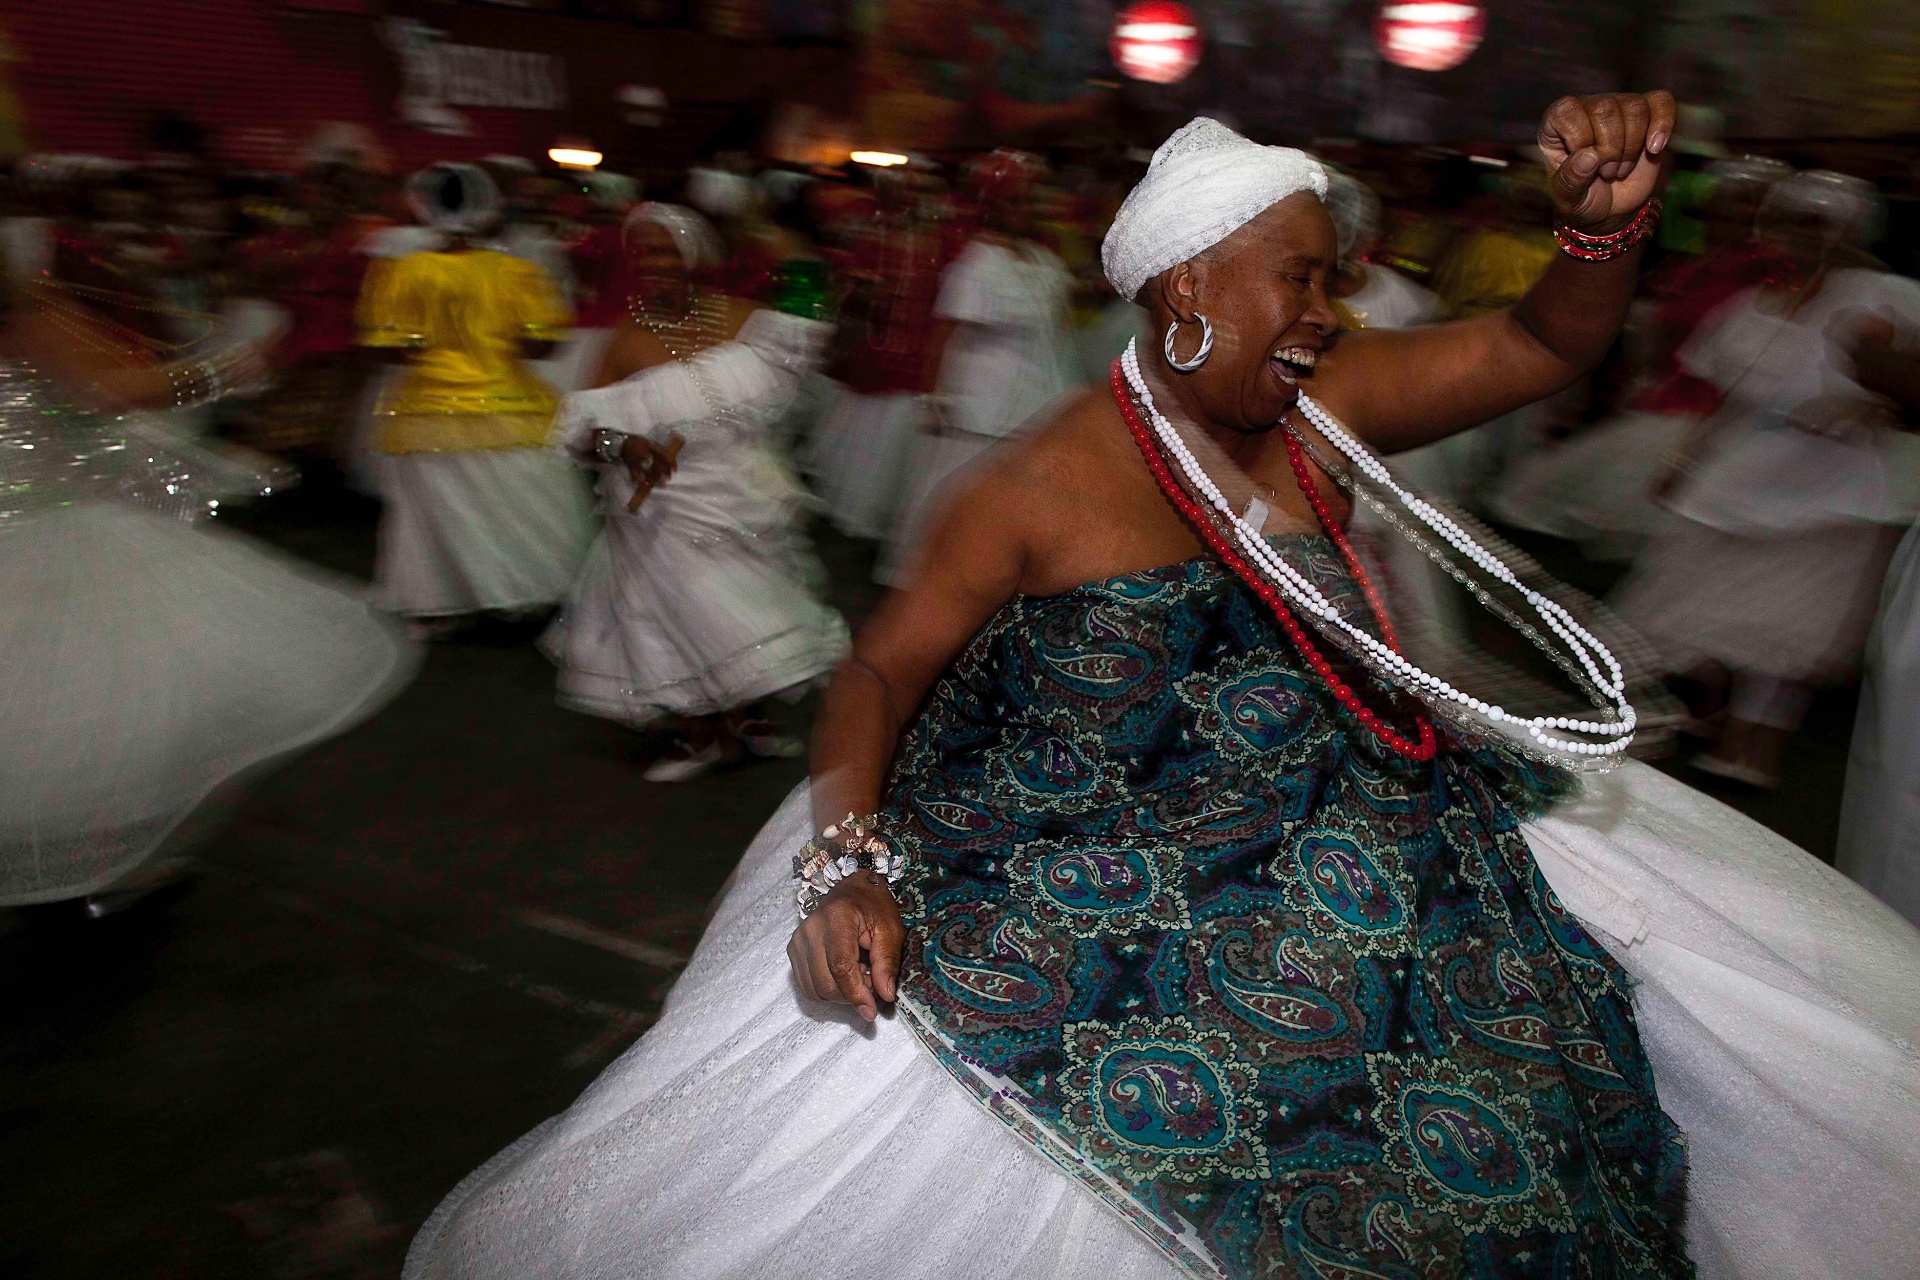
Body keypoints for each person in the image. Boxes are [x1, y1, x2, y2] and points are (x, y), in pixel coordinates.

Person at [406, 97, 1920, 1280]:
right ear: (1189, 282)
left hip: (1341, 799)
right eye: (1303, 280)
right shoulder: (1032, 485)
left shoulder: (1317, 394)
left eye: (1330, 280)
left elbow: (1538, 341)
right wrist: (845, 868)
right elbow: (877, 664)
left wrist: (1600, 234)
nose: (1330, 314)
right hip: (1084, 838)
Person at [0, 268, 416, 910]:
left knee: (46, 701)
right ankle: (108, 860)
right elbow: (108, 391)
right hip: (56, 534)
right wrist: (232, 366)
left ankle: (91, 854)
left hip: (33, 529)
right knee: (104, 697)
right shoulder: (24, 315)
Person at [1613, 171, 1920, 788]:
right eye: (1791, 222)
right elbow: (1719, 402)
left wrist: (1875, 405)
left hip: (1838, 483)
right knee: (1697, 600)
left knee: (1792, 623)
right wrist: (1683, 461)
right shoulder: (1747, 309)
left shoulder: (1885, 294)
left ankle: (1753, 747)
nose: (1803, 237)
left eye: (1818, 223)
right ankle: (1695, 714)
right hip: (1742, 472)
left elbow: (1907, 380)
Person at [544, 203, 848, 783]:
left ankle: (743, 719)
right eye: (641, 253)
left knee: (749, 609)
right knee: (689, 610)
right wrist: (626, 447)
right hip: (667, 508)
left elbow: (811, 326)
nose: (652, 263)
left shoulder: (744, 318)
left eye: (664, 249)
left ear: (694, 254)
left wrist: (769, 234)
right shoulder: (622, 341)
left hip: (747, 495)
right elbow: (584, 432)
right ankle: (704, 735)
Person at [357, 163, 595, 632]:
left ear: (426, 205)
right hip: (509, 403)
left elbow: (383, 347)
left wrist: (437, 346)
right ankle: (523, 592)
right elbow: (545, 343)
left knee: (433, 516)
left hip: (428, 407)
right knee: (519, 504)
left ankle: (441, 600)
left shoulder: (403, 271)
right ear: (487, 207)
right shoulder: (516, 272)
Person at [878, 149, 1076, 585]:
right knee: (961, 492)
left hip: (1038, 394)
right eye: (1015, 201)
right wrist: (934, 395)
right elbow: (944, 333)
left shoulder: (1043, 262)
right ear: (993, 207)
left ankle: (997, 574)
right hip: (981, 402)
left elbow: (1055, 334)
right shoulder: (976, 264)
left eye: (1030, 200)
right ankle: (940, 577)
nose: (1027, 210)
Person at [801, 160, 947, 541]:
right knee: (867, 437)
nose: (910, 199)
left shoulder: (939, 239)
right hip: (877, 350)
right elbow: (848, 290)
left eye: (918, 191)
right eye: (904, 190)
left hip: (916, 349)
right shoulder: (871, 233)